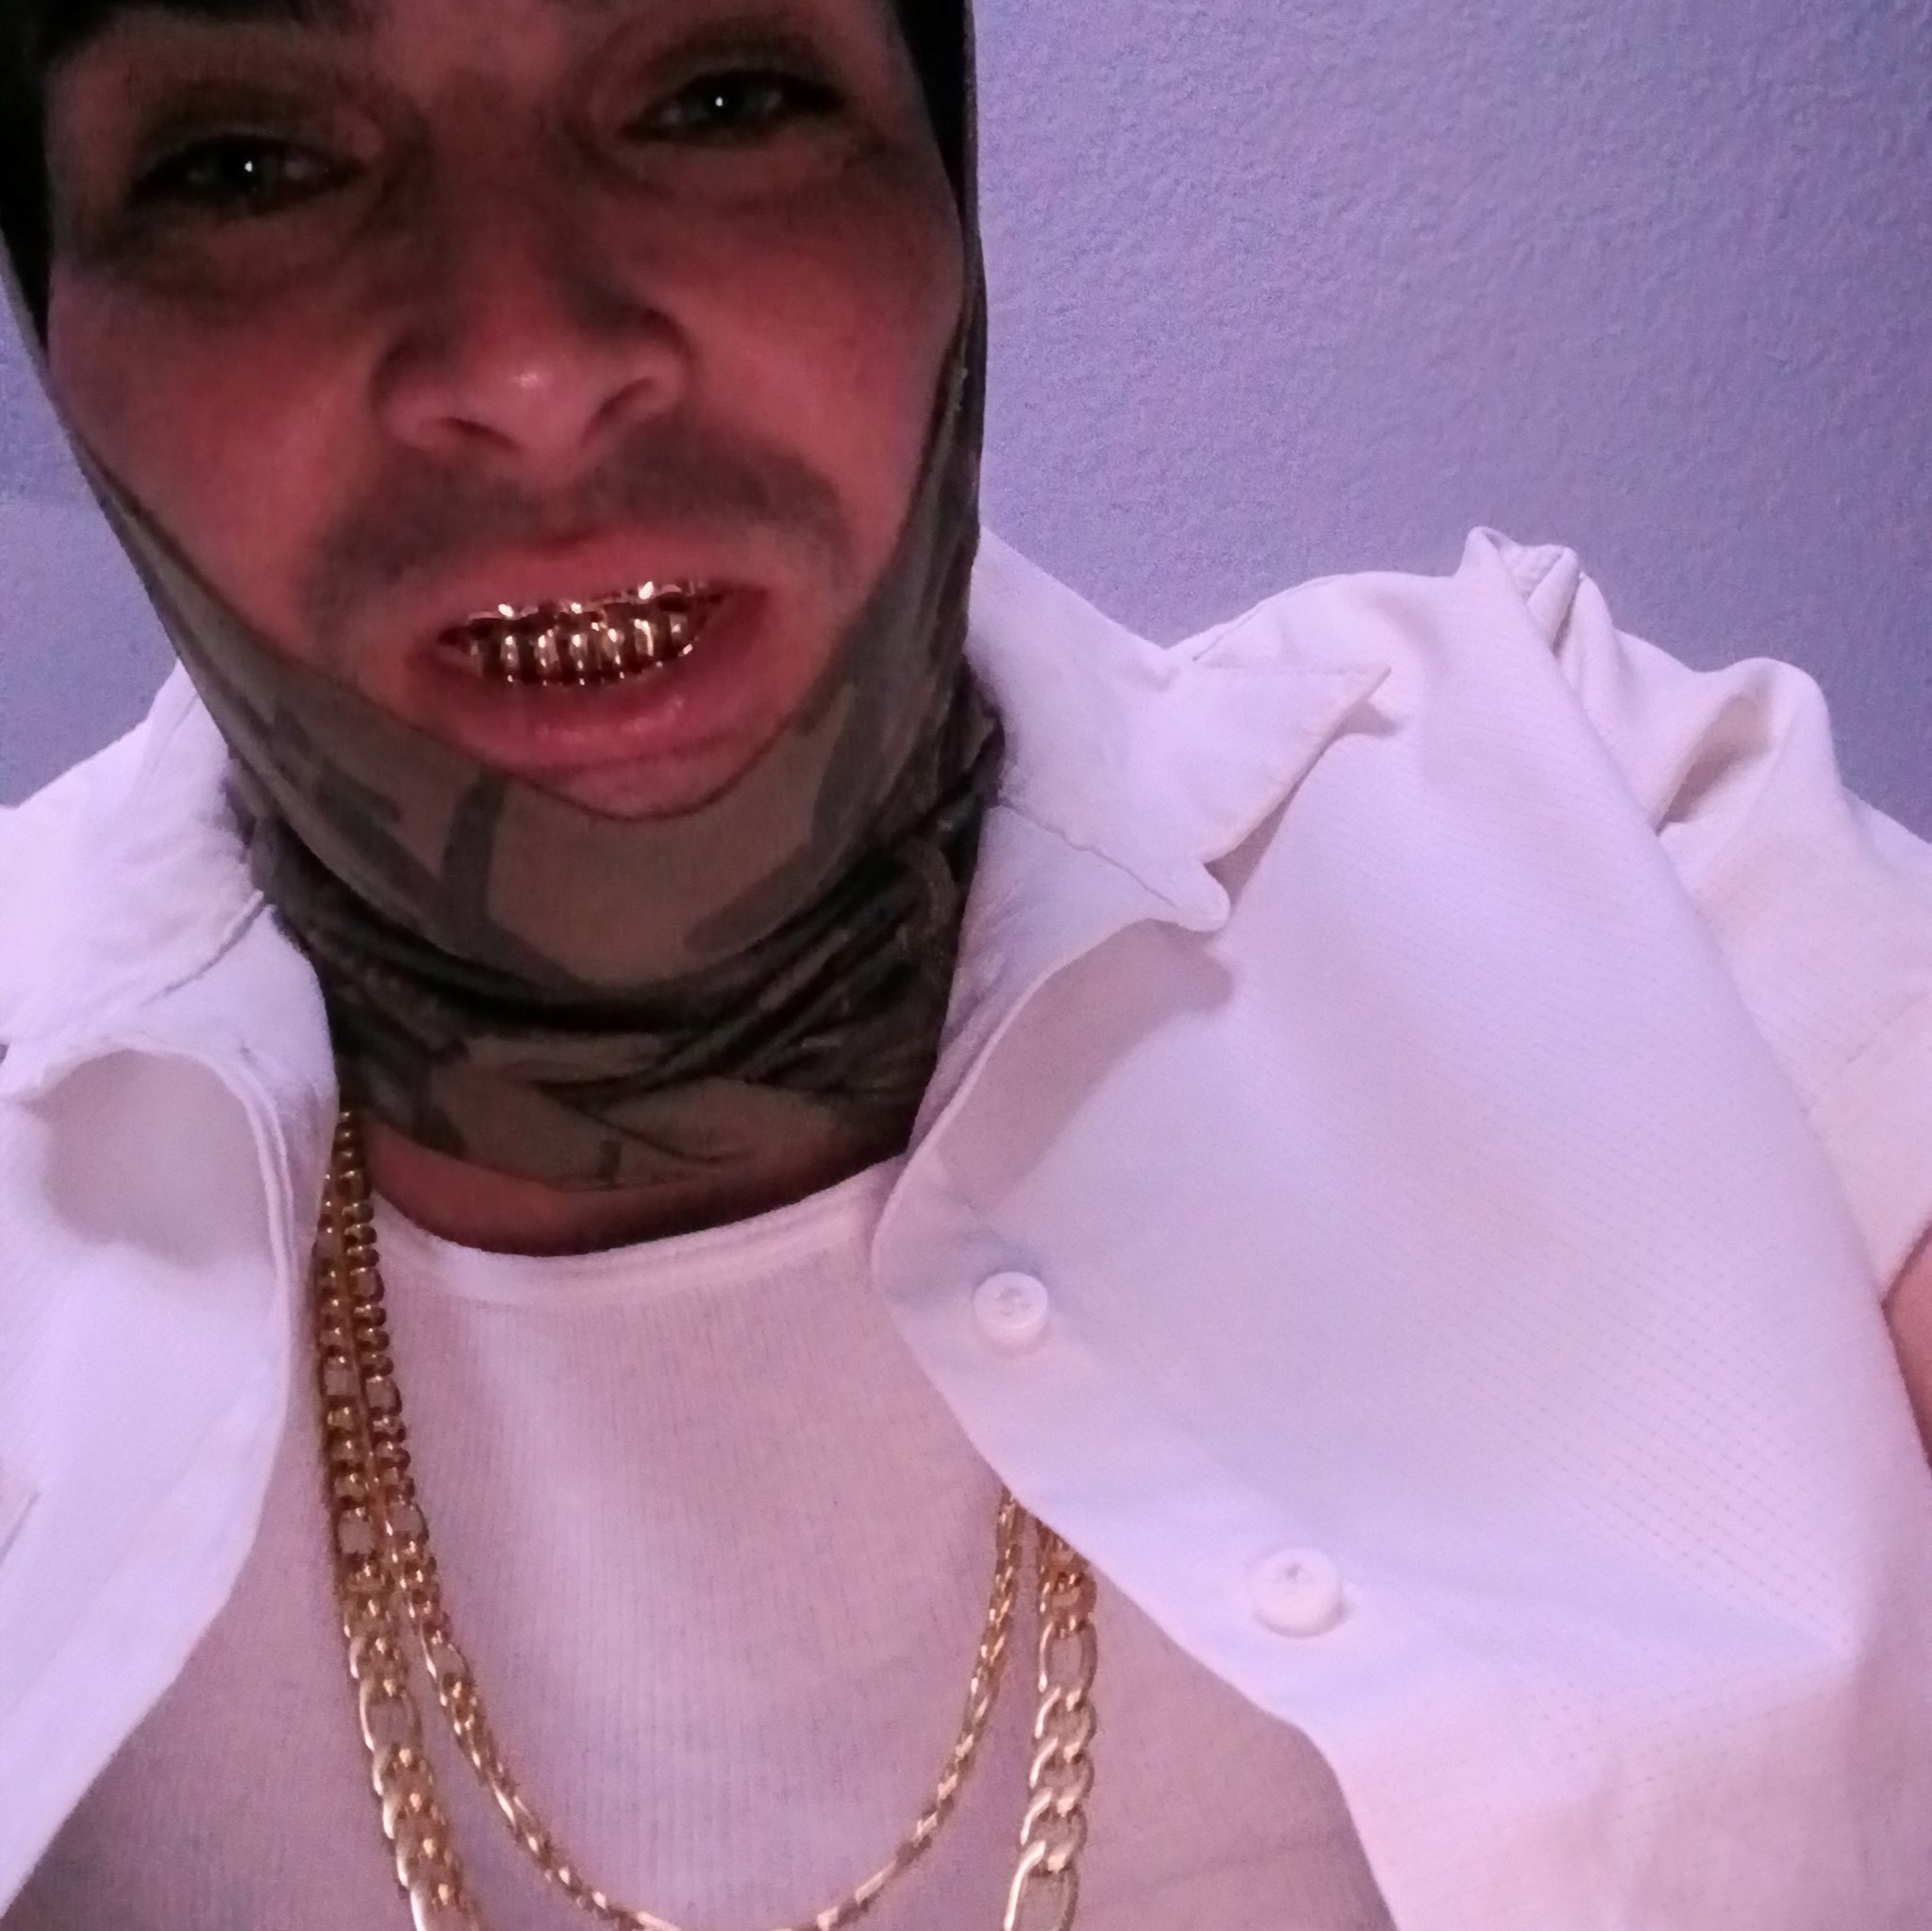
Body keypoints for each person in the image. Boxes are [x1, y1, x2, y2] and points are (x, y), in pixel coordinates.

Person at [1, 0, 1929, 1925]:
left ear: (943, 176)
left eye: (720, 98)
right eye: (247, 168)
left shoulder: (1610, 828)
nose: (528, 364)